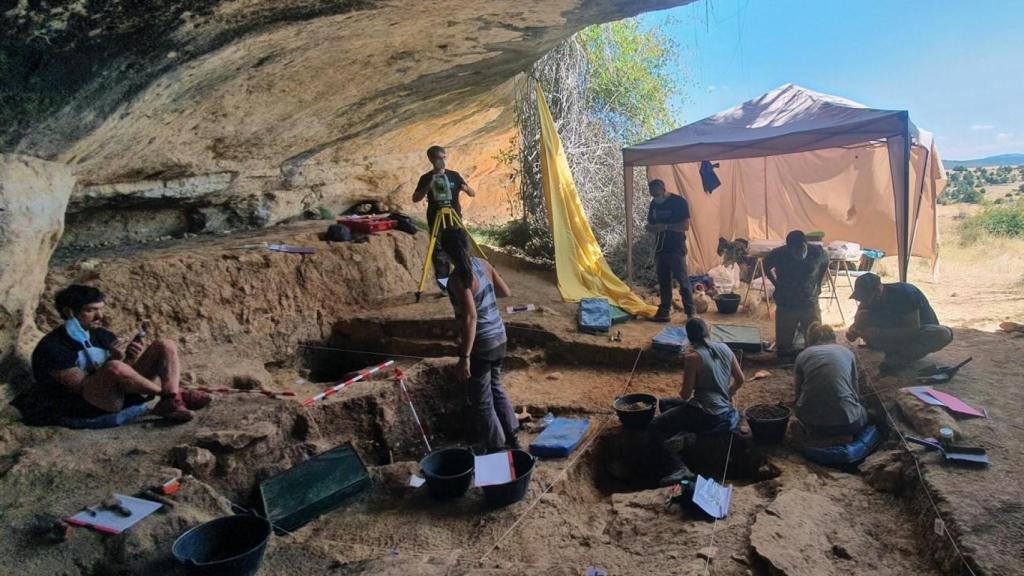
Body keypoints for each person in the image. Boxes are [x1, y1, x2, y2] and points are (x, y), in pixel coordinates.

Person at [28, 285, 210, 425]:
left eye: (101, 309)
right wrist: (113, 361)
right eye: (91, 310)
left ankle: (170, 399)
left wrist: (130, 357)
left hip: (116, 395)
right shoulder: (52, 347)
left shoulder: (101, 334)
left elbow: (125, 376)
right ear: (69, 312)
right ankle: (173, 396)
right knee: (114, 366)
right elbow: (80, 388)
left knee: (165, 345)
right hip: (84, 406)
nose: (100, 316)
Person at [440, 227, 518, 452]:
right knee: (496, 386)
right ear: (467, 244)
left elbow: (471, 317)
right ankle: (513, 435)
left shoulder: (457, 279)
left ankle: (498, 446)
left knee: (483, 400)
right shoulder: (483, 264)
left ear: (445, 251)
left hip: (482, 343)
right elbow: (506, 292)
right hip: (500, 336)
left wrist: (464, 357)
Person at [649, 318, 745, 486]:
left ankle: (679, 467)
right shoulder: (725, 348)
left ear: (690, 338)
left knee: (655, 425)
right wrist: (729, 393)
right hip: (723, 411)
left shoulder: (693, 358)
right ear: (707, 332)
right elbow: (740, 379)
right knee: (665, 403)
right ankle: (688, 435)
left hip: (703, 413)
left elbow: (685, 395)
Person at [847, 273, 953, 371]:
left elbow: (912, 330)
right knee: (862, 315)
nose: (863, 302)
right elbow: (852, 333)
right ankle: (893, 355)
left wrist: (880, 333)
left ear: (878, 291)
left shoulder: (906, 294)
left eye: (865, 298)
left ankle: (899, 358)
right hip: (892, 334)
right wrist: (854, 331)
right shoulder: (870, 300)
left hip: (915, 335)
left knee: (943, 334)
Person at [412, 145, 477, 289]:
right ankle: (445, 287)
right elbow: (415, 198)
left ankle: (467, 281)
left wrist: (465, 188)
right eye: (437, 158)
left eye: (443, 157)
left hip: (454, 219)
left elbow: (472, 193)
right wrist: (428, 186)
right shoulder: (426, 178)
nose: (441, 161)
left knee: (462, 249)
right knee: (439, 254)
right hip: (436, 221)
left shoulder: (454, 175)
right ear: (430, 159)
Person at [793, 323, 868, 443]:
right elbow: (856, 392)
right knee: (866, 412)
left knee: (803, 411)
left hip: (812, 423)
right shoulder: (847, 352)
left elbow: (797, 394)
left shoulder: (802, 355)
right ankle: (843, 436)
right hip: (848, 423)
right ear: (834, 338)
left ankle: (819, 437)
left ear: (811, 339)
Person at [764, 230, 829, 358]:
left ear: (806, 244)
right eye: (796, 250)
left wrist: (819, 283)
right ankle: (794, 337)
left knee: (816, 344)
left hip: (809, 301)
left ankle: (803, 337)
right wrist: (776, 284)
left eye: (802, 248)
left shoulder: (817, 252)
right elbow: (765, 266)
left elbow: (826, 263)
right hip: (787, 304)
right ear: (789, 248)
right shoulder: (778, 254)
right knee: (783, 349)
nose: (800, 253)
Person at [646, 179, 694, 322]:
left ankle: (691, 313)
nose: (655, 197)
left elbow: (685, 226)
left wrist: (666, 227)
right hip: (660, 248)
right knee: (664, 282)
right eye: (652, 195)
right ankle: (665, 311)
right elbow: (650, 224)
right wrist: (652, 228)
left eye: (656, 194)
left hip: (675, 248)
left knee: (683, 281)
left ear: (663, 189)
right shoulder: (654, 204)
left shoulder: (679, 202)